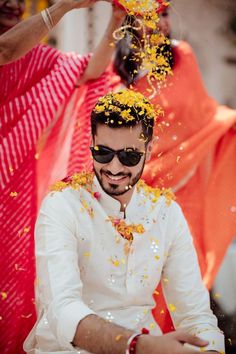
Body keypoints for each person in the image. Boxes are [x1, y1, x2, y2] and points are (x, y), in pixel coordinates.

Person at [24, 89, 224, 354]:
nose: (115, 168)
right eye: (103, 153)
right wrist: (136, 346)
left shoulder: (165, 212)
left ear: (149, 150)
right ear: (91, 143)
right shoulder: (62, 205)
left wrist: (209, 350)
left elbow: (195, 315)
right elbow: (63, 309)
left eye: (129, 156)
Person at [0, 1, 125, 353]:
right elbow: (5, 49)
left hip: (14, 190)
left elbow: (90, 70)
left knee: (13, 279)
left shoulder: (37, 57)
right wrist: (66, 6)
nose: (13, 3)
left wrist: (114, 22)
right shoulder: (15, 49)